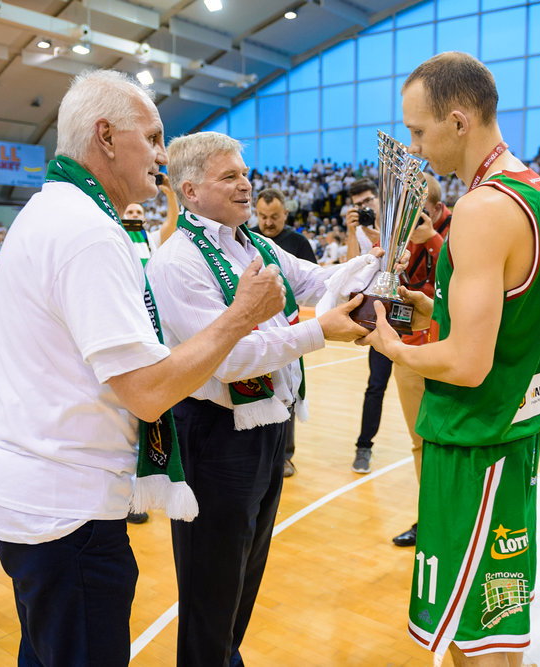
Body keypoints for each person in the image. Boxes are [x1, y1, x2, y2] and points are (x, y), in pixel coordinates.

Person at [0, 70, 285, 667]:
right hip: (69, 512)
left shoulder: (50, 212)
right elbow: (146, 393)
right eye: (153, 136)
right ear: (106, 136)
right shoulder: (88, 233)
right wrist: (241, 315)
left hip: (34, 495)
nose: (162, 155)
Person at [362, 52, 540, 666]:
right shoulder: (532, 190)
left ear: (457, 120)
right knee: (496, 624)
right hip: (509, 435)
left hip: (476, 442)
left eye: (419, 132)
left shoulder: (481, 207)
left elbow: (469, 365)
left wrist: (393, 344)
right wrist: (431, 311)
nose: (416, 149)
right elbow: (501, 325)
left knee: (466, 641)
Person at [146, 131, 370, 667]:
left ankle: (226, 654)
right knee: (211, 577)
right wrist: (320, 334)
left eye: (245, 173)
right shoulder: (177, 262)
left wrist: (376, 262)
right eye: (230, 177)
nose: (246, 184)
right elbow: (226, 358)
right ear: (190, 190)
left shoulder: (253, 244)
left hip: (268, 424)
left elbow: (319, 282)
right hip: (214, 434)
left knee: (247, 565)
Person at [391, 172, 449, 548]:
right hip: (409, 351)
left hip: (448, 351)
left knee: (450, 439)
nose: (413, 219)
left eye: (419, 211)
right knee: (419, 442)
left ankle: (455, 519)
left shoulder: (461, 228)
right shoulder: (399, 238)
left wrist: (433, 241)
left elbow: (462, 284)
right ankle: (428, 518)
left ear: (437, 208)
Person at [252, 187, 318, 477]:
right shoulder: (247, 239)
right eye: (263, 216)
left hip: (290, 329)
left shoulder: (298, 242)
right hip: (257, 331)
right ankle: (260, 453)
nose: (267, 222)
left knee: (289, 390)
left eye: (274, 217)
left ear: (286, 214)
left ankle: (286, 455)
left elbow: (311, 284)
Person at [345, 178, 391, 474]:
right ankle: (364, 447)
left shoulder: (397, 223)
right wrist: (353, 231)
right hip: (379, 315)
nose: (364, 208)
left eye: (367, 201)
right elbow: (350, 269)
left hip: (407, 310)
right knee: (376, 385)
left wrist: (377, 235)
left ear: (378, 199)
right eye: (358, 204)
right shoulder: (360, 233)